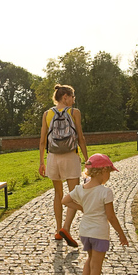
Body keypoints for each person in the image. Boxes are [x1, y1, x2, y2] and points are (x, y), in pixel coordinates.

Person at [61, 153, 128, 275]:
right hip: (99, 232)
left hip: (85, 232)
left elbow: (65, 201)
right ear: (102, 172)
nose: (109, 176)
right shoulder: (105, 192)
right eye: (109, 173)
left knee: (90, 260)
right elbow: (111, 216)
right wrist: (122, 234)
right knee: (96, 266)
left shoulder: (80, 189)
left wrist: (81, 207)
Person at [38, 84, 88, 247]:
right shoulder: (75, 113)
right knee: (75, 194)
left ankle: (58, 229)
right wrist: (88, 159)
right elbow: (80, 137)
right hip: (70, 157)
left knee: (57, 194)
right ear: (65, 97)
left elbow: (42, 141)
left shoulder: (47, 114)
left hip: (53, 158)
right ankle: (66, 228)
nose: (74, 99)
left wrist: (41, 162)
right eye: (72, 96)